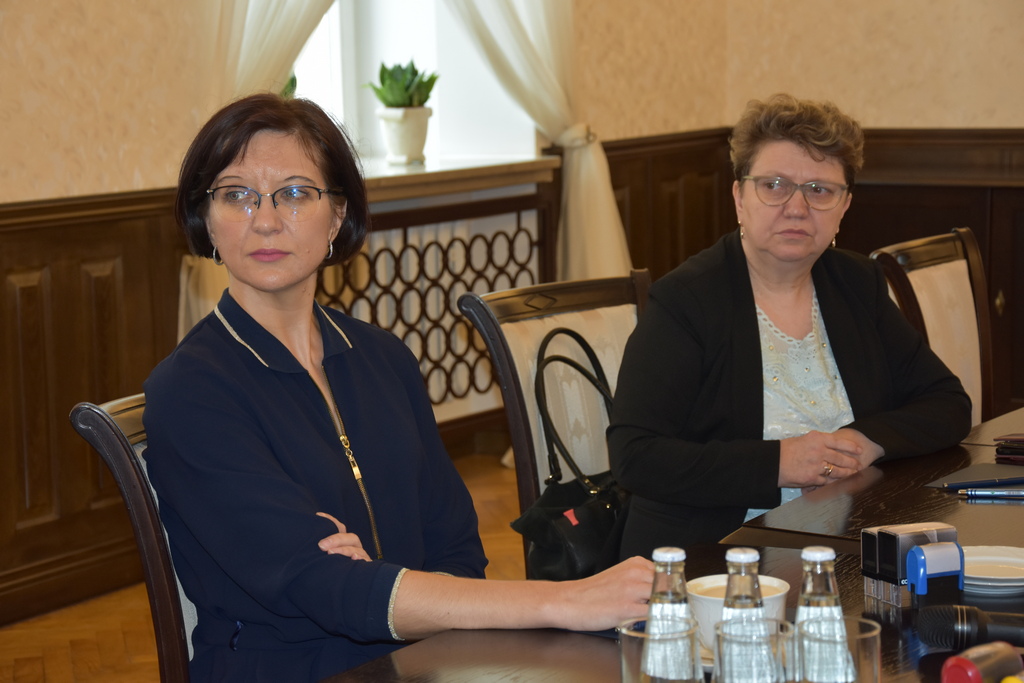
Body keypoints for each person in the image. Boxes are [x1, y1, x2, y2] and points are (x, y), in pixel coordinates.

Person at [142, 93, 653, 682]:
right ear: (207, 218)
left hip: (421, 660)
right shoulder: (191, 393)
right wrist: (564, 601)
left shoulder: (383, 359)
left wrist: (379, 585)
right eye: (236, 195)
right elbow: (322, 588)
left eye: (295, 193)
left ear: (337, 216)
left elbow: (456, 547)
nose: (264, 219)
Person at [608, 93, 972, 559]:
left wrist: (863, 441)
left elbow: (947, 402)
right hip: (715, 557)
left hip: (850, 539)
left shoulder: (856, 283)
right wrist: (779, 463)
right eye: (774, 185)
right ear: (739, 198)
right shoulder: (687, 301)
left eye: (820, 190)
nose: (797, 207)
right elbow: (636, 456)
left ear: (844, 206)